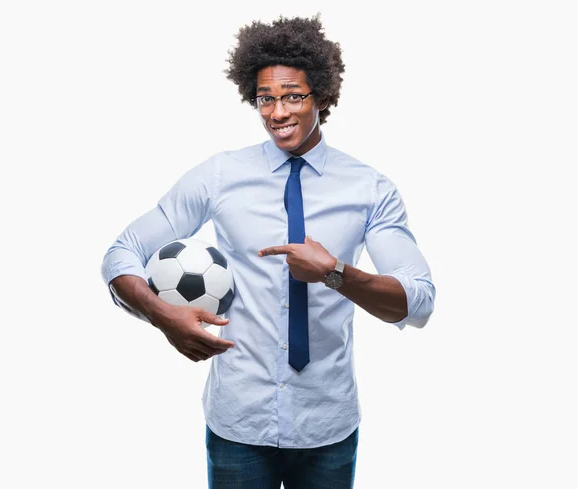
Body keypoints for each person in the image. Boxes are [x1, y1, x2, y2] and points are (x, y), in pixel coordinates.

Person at [101, 13, 435, 489]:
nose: (277, 113)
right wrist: (160, 315)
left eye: (293, 96)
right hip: (239, 421)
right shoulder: (219, 175)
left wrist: (336, 273)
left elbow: (418, 299)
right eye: (265, 98)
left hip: (327, 426)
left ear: (321, 94)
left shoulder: (369, 189)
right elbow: (123, 251)